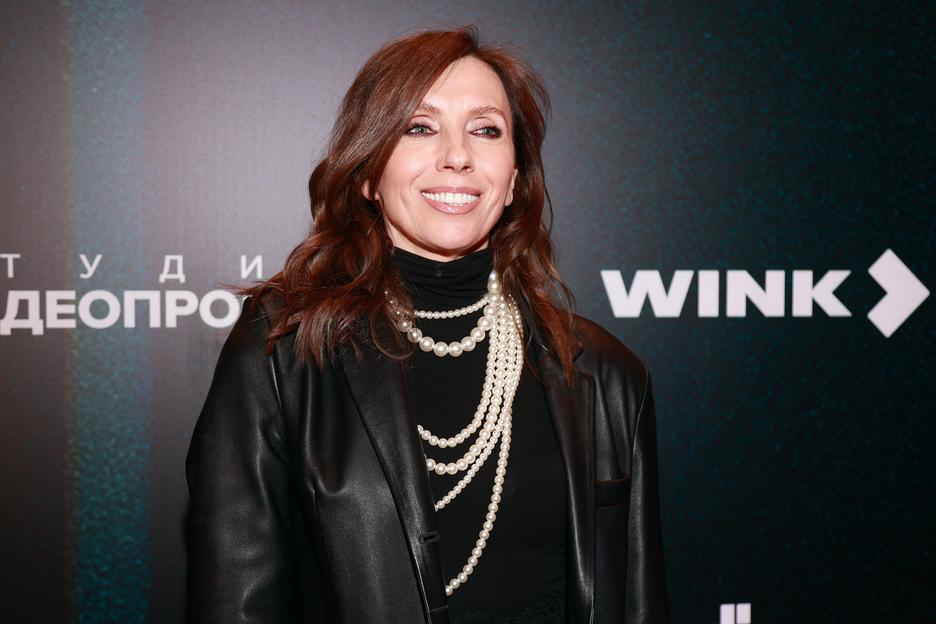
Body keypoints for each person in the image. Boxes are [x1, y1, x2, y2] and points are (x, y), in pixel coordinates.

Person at [186, 26, 669, 624]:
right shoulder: (285, 349)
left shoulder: (606, 374)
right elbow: (235, 600)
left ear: (515, 178)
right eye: (420, 127)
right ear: (368, 173)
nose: (457, 156)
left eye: (485, 130)